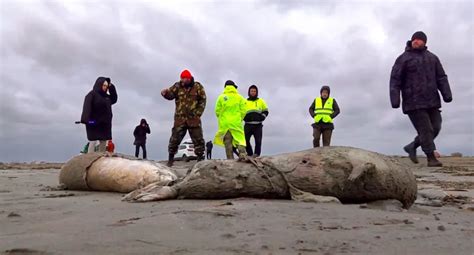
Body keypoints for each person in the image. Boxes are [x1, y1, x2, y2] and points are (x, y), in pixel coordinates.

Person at [390, 31, 452, 167]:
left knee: (436, 127)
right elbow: (395, 80)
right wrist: (395, 99)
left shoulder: (433, 58)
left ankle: (412, 146)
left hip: (432, 100)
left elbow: (441, 77)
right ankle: (431, 158)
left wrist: (447, 94)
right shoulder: (403, 59)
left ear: (424, 42)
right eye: (414, 39)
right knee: (426, 130)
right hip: (413, 101)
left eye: (419, 40)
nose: (416, 41)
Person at [161, 70, 207, 167]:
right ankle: (170, 159)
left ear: (189, 78)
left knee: (198, 139)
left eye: (185, 78)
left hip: (193, 119)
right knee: (174, 139)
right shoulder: (177, 86)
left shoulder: (198, 87)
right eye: (182, 78)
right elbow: (170, 96)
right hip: (180, 119)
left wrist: (198, 113)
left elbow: (203, 100)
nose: (183, 80)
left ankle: (200, 159)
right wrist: (165, 94)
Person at [81, 77, 118, 153]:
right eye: (104, 85)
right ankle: (89, 159)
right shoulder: (91, 95)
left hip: (104, 124)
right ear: (99, 84)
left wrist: (111, 86)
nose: (105, 87)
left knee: (103, 142)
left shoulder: (107, 97)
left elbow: (114, 98)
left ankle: (101, 160)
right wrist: (89, 121)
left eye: (106, 86)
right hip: (93, 123)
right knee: (93, 141)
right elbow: (86, 109)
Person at [214, 80, 247, 160]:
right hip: (236, 122)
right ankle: (242, 154)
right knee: (240, 139)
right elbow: (244, 111)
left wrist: (222, 119)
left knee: (227, 142)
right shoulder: (239, 97)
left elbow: (217, 111)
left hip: (225, 124)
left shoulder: (221, 97)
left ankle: (230, 159)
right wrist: (240, 119)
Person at [244, 85, 269, 157]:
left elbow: (266, 111)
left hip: (258, 125)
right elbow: (240, 111)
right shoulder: (244, 101)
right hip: (248, 125)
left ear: (256, 92)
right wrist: (244, 117)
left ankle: (256, 155)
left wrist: (262, 117)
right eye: (251, 91)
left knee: (258, 141)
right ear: (249, 92)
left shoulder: (261, 101)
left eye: (254, 91)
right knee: (245, 141)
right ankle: (250, 153)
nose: (253, 92)